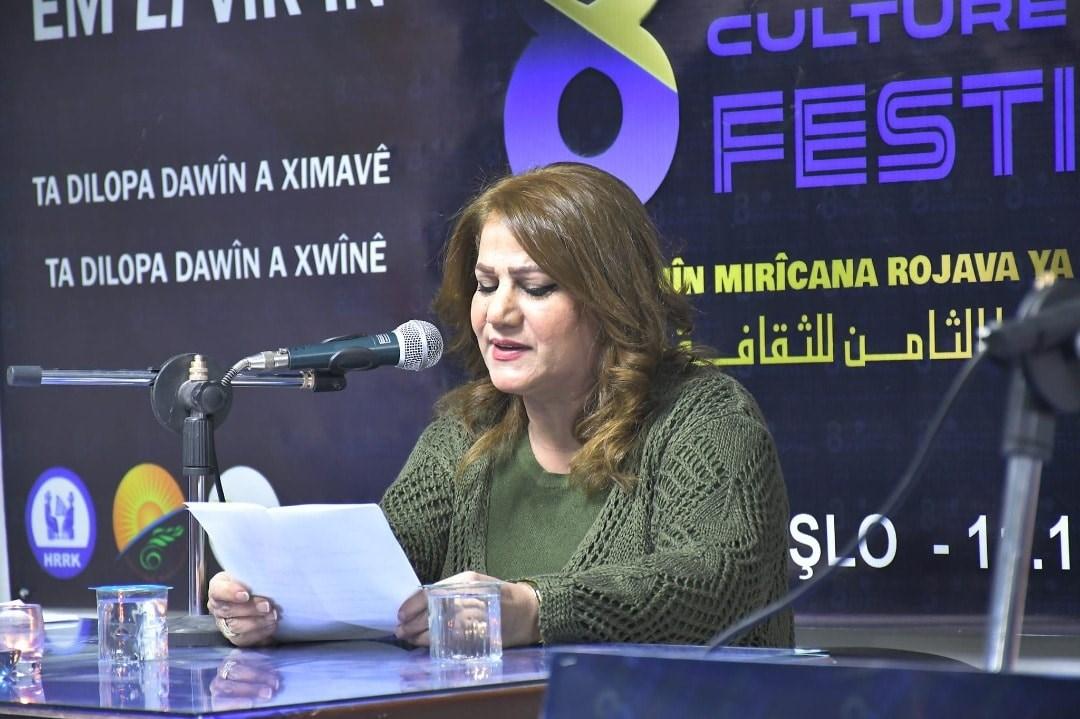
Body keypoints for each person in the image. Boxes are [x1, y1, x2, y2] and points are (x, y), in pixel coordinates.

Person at [207, 162, 792, 648]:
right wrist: (269, 604)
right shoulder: (467, 431)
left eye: (535, 288)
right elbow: (382, 569)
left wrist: (533, 608)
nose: (498, 313)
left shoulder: (706, 419)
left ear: (611, 301)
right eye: (486, 285)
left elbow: (714, 582)